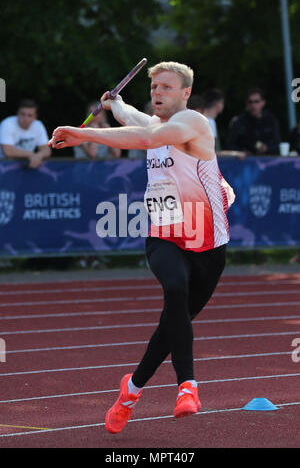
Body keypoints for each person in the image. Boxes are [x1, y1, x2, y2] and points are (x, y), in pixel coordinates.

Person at [48, 61, 235, 434]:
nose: (158, 93)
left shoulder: (195, 123)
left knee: (171, 326)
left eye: (167, 87)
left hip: (207, 240)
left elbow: (148, 139)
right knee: (175, 290)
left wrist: (87, 136)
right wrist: (114, 105)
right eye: (154, 88)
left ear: (185, 93)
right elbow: (135, 118)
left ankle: (129, 394)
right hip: (163, 232)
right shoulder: (155, 122)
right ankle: (188, 387)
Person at [226, 87, 280, 155]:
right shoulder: (239, 121)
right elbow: (230, 145)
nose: (253, 105)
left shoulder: (271, 120)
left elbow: (277, 143)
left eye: (256, 101)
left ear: (263, 102)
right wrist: (241, 151)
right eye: (250, 102)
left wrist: (267, 148)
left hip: (267, 160)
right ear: (247, 103)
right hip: (245, 161)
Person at [0, 99, 51, 168]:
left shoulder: (38, 125)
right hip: (4, 166)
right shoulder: (7, 124)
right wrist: (32, 155)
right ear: (17, 114)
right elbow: (8, 151)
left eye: (30, 115)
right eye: (22, 114)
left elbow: (47, 150)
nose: (25, 118)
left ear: (35, 117)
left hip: (27, 165)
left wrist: (38, 156)